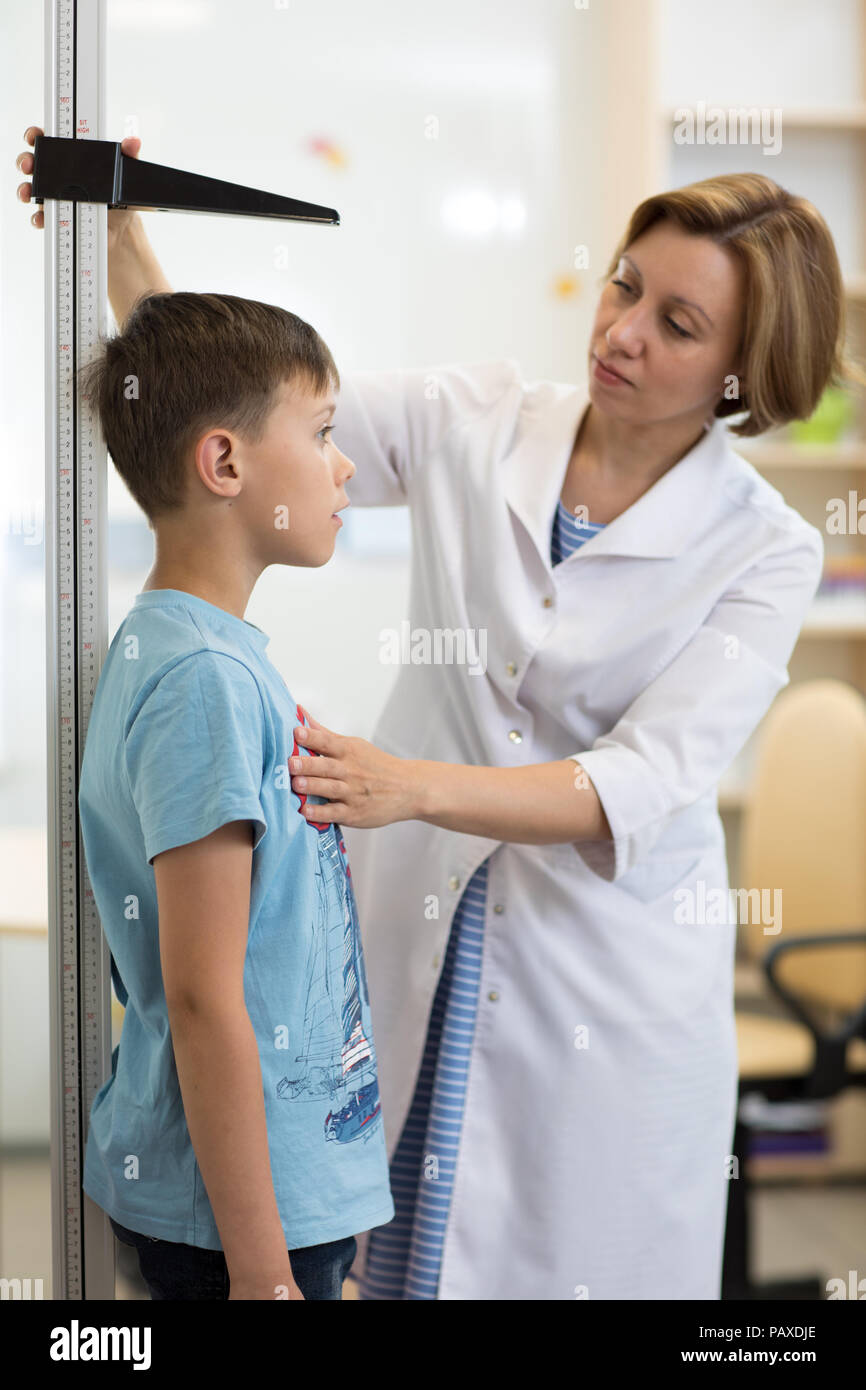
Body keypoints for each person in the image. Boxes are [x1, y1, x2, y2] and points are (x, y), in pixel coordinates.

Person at [17, 130, 856, 1298]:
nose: (619, 331)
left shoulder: (764, 548)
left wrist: (407, 784)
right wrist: (121, 244)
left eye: (675, 324)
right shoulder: (484, 418)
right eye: (624, 283)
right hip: (413, 920)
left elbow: (642, 778)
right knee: (386, 1246)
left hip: (598, 969)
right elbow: (245, 432)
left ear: (741, 368)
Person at [74, 287, 394, 1300]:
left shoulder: (193, 652)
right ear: (224, 463)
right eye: (324, 432)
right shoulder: (203, 682)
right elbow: (206, 995)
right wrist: (263, 1274)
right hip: (234, 1235)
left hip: (267, 1210)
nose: (343, 466)